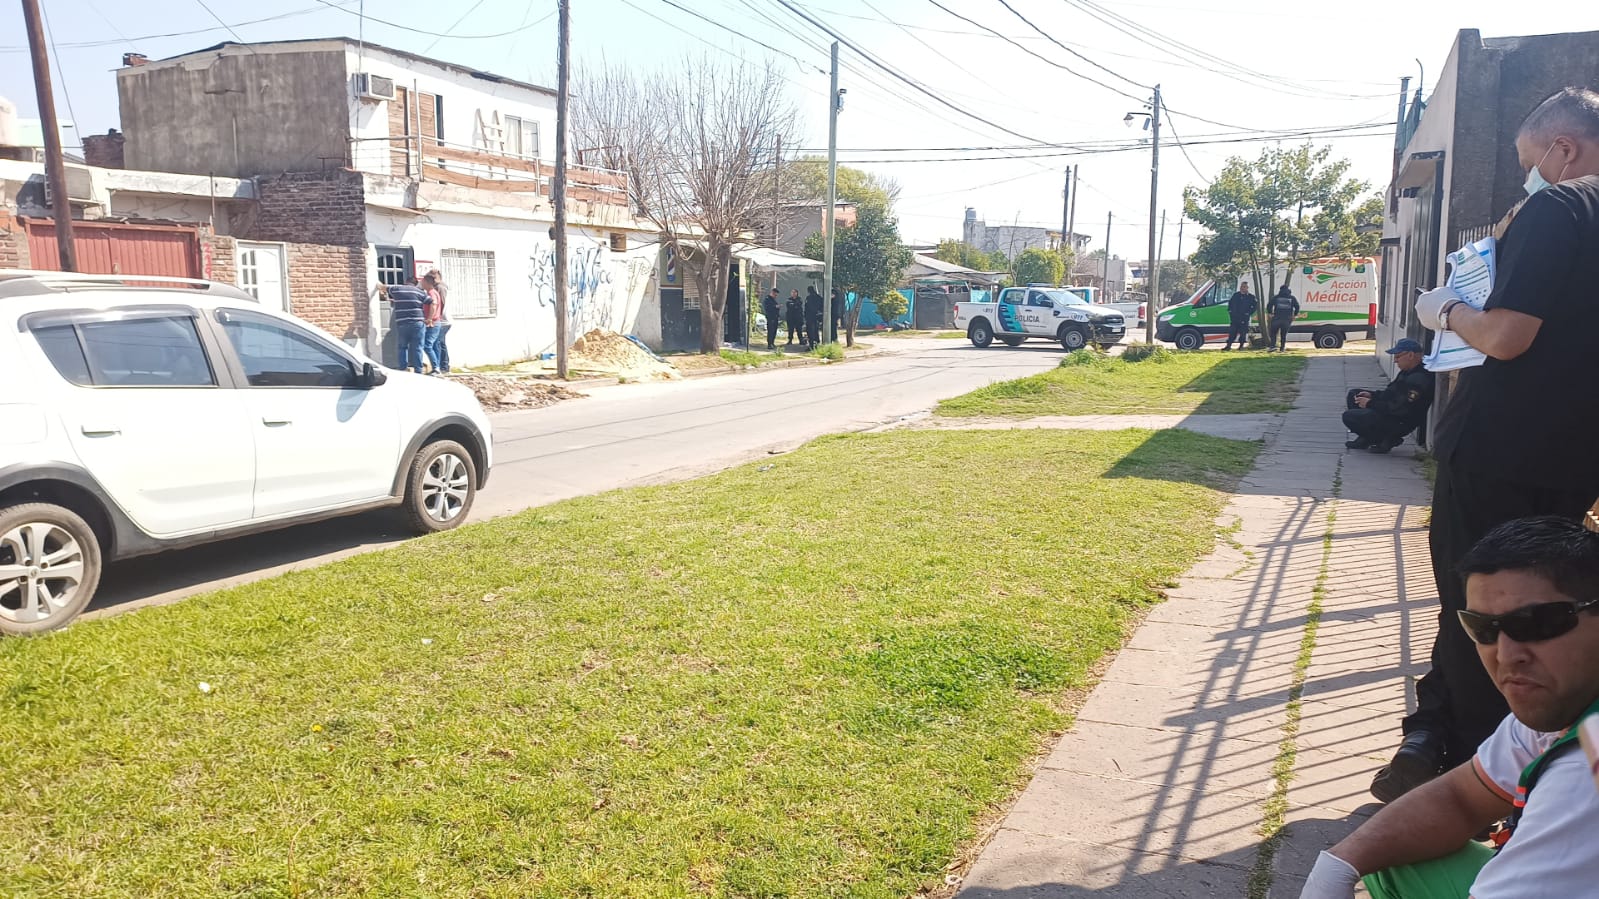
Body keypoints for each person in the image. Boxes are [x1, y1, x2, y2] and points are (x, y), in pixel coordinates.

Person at [1372, 87, 1599, 803]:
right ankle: (1449, 738)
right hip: (1576, 457)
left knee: (1480, 610)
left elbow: (1505, 336)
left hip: (1499, 449)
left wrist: (1448, 310)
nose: (1527, 178)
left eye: (1530, 162)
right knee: (1550, 613)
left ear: (1562, 149)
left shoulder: (1560, 205)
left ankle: (1473, 783)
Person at [1299, 516, 1599, 899]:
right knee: (1392, 849)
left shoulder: (1583, 777)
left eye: (1538, 623)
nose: (1507, 655)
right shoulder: (1561, 703)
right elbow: (1459, 797)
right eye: (1484, 629)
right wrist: (1338, 865)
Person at [1343, 338, 1433, 453]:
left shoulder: (1419, 378)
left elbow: (1400, 409)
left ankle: (1387, 439)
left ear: (1411, 355)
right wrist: (1373, 395)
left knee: (1350, 416)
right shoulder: (1407, 372)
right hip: (1392, 412)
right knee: (1354, 395)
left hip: (1400, 421)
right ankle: (1366, 438)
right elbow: (1390, 393)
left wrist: (1370, 403)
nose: (1395, 361)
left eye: (1398, 356)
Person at [384, 277, 431, 374]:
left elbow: (383, 287)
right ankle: (418, 370)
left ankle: (403, 368)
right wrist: (429, 318)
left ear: (406, 282)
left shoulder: (397, 289)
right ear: (415, 283)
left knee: (402, 347)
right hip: (418, 323)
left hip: (403, 323)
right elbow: (431, 302)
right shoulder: (419, 292)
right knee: (418, 347)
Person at [422, 270, 451, 375]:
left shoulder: (439, 288)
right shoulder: (434, 290)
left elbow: (437, 304)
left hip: (441, 320)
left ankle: (441, 367)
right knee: (436, 344)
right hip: (438, 320)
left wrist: (432, 317)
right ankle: (439, 367)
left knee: (435, 344)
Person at [1224, 281, 1257, 350]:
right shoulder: (1236, 295)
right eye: (1242, 286)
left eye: (1244, 287)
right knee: (1232, 332)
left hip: (1244, 318)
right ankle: (1228, 346)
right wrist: (1230, 311)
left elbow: (1255, 307)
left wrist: (1248, 313)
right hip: (1235, 318)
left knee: (1243, 333)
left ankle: (1241, 346)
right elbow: (1230, 303)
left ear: (1247, 288)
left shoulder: (1251, 297)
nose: (1242, 288)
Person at [1267, 283, 1300, 351]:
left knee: (1273, 333)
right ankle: (1282, 348)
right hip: (1287, 319)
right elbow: (1297, 306)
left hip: (1277, 317)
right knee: (1283, 334)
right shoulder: (1292, 298)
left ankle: (1272, 346)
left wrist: (1270, 313)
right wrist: (1295, 315)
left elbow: (1269, 305)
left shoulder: (1276, 297)